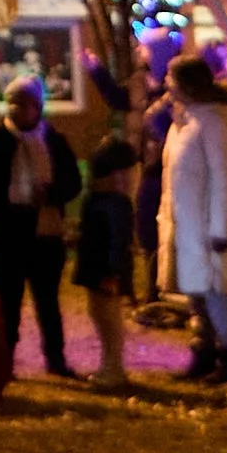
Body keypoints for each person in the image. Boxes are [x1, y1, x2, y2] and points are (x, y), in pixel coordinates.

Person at [0, 75, 83, 382]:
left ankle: (55, 359)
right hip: (10, 230)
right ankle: (6, 362)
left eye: (24, 105)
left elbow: (72, 181)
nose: (17, 111)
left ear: (37, 107)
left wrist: (54, 193)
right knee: (8, 300)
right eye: (13, 104)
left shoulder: (53, 140)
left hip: (45, 229)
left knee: (48, 299)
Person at [159, 53, 227, 382]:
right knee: (198, 294)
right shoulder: (187, 122)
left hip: (209, 229)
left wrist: (219, 229)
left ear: (186, 84)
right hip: (189, 225)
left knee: (218, 292)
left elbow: (224, 177)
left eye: (171, 78)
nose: (166, 84)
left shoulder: (213, 122)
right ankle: (203, 352)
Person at [75, 137, 141, 391]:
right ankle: (109, 365)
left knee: (108, 317)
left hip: (104, 267)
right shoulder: (106, 201)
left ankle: (113, 368)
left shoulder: (110, 203)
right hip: (98, 265)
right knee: (101, 315)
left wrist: (112, 271)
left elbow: (116, 240)